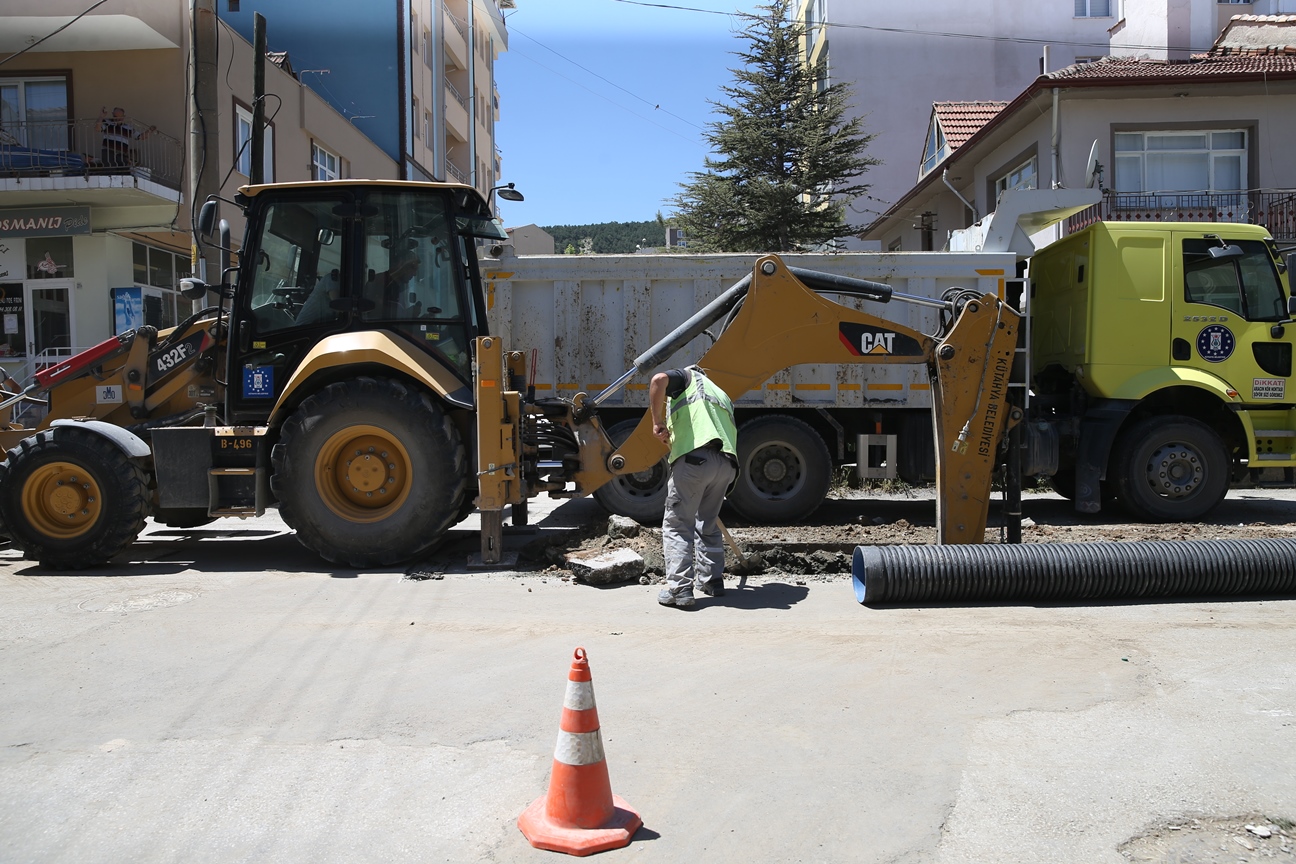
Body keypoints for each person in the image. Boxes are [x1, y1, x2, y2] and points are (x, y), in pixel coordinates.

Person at [650, 365, 739, 608]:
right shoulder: (721, 395)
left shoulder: (688, 378)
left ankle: (680, 590)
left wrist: (657, 422)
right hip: (726, 464)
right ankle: (712, 581)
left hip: (695, 461)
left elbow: (658, 380)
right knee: (707, 522)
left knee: (678, 524)